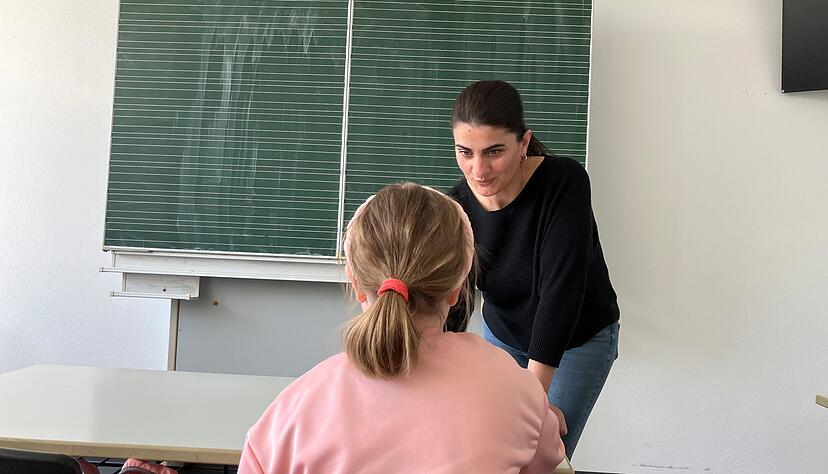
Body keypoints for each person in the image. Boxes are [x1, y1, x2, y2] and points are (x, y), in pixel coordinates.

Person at [239, 183, 565, 473]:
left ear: (356, 282)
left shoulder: (293, 413)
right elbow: (544, 461)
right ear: (457, 287)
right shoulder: (515, 387)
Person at [447, 80, 620, 459]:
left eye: (494, 152)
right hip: (503, 335)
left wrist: (532, 401)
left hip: (578, 337)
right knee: (489, 451)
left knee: (540, 454)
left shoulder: (564, 182)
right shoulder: (455, 205)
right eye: (465, 152)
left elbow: (560, 291)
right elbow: (453, 302)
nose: (478, 170)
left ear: (524, 143)